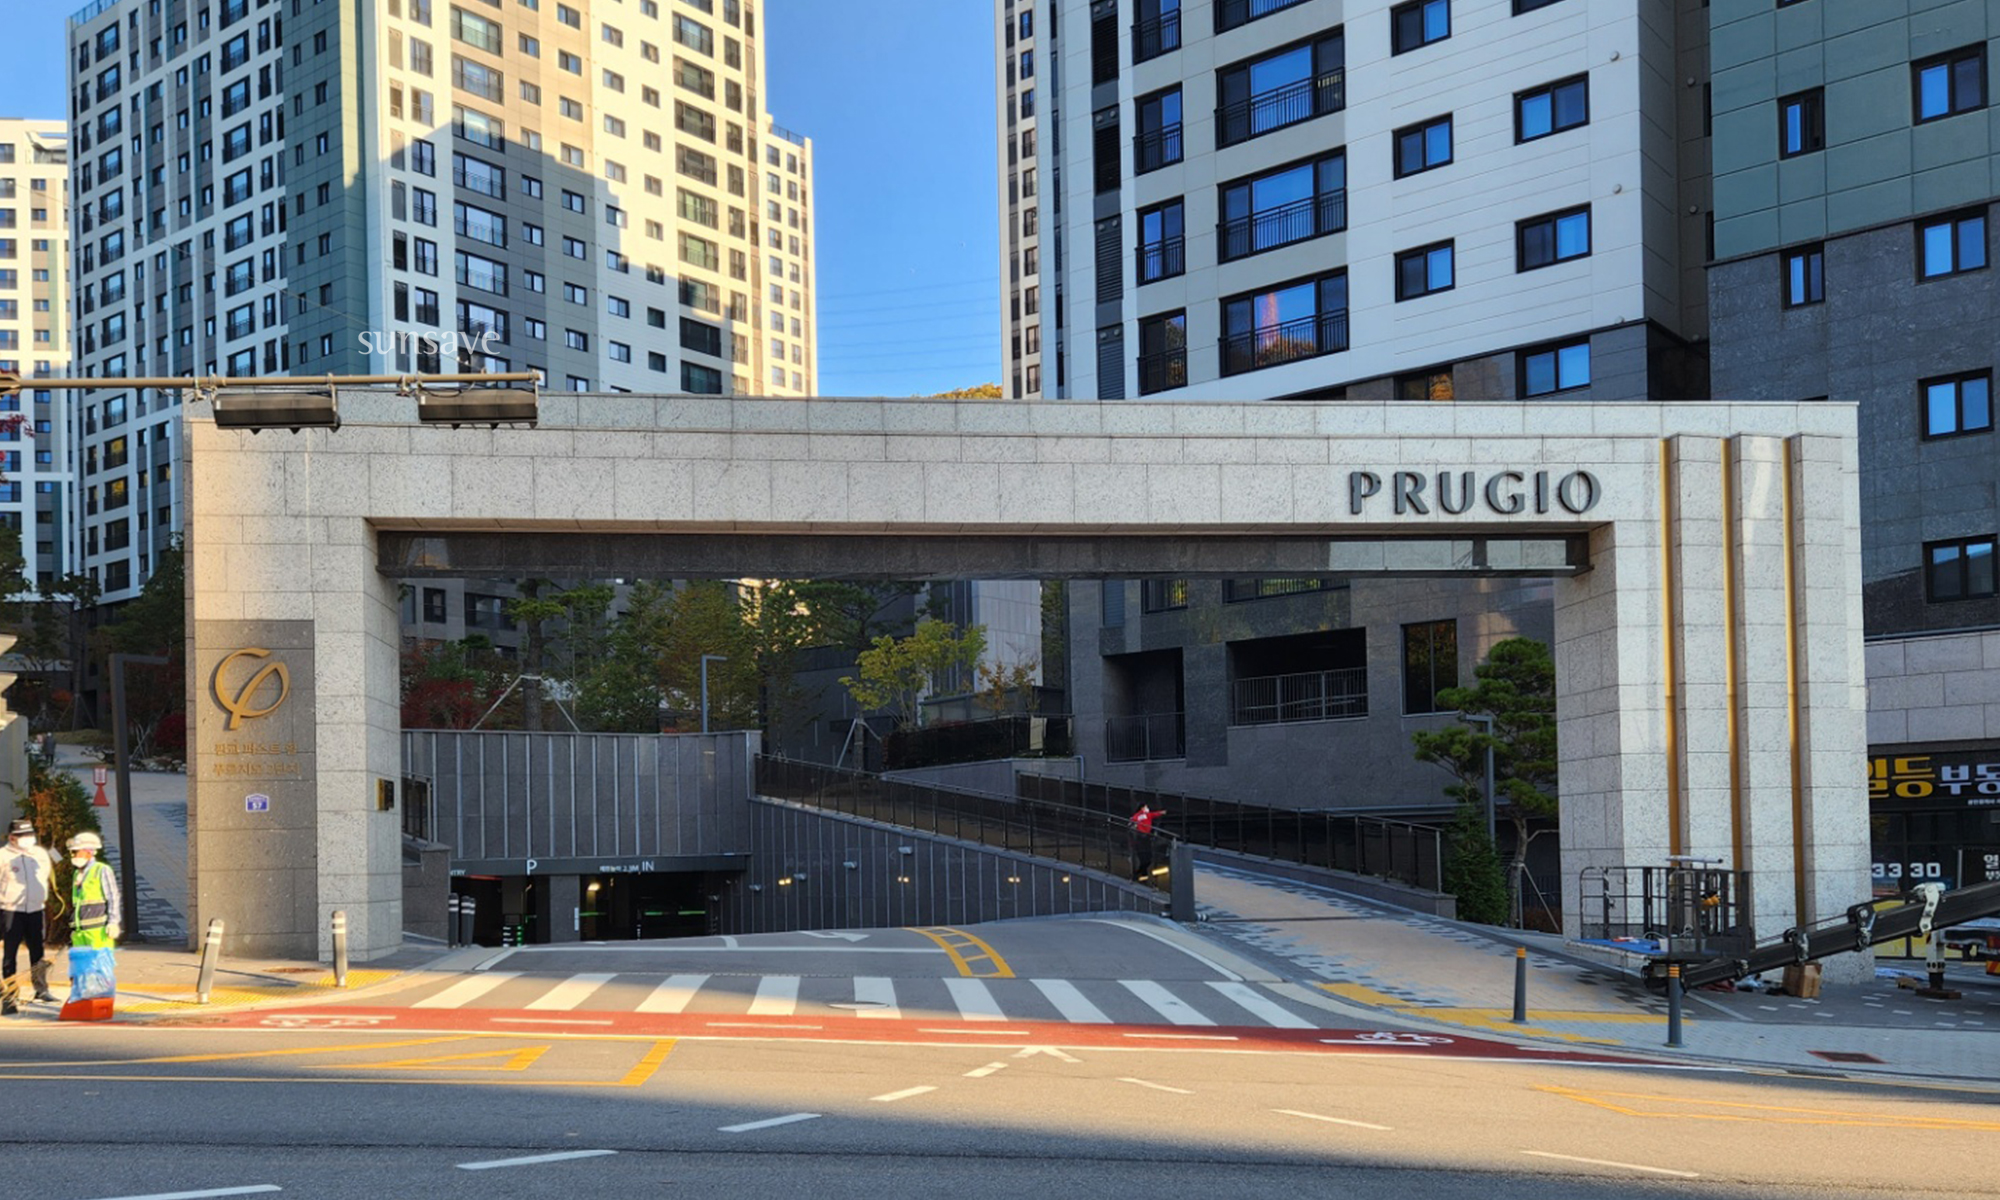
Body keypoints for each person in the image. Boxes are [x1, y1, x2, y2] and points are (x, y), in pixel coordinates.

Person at [2, 817, 57, 1014]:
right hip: (11, 910)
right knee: (10, 954)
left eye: (29, 834)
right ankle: (10, 993)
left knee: (38, 951)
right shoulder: (3, 856)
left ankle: (41, 989)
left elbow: (45, 876)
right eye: (22, 835)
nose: (27, 838)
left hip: (35, 909)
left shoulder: (39, 854)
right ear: (12, 837)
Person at [66, 830, 121, 957]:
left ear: (89, 852)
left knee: (99, 965)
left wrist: (113, 922)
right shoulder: (77, 873)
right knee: (81, 967)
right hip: (80, 932)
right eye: (72, 852)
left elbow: (113, 897)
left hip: (98, 931)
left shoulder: (102, 870)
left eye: (76, 851)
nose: (73, 855)